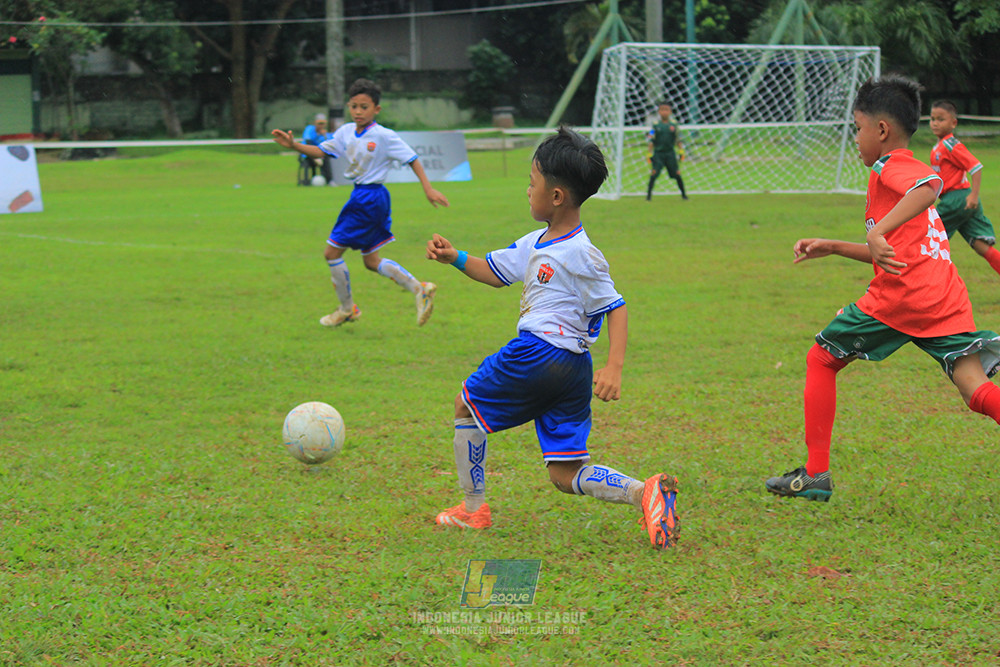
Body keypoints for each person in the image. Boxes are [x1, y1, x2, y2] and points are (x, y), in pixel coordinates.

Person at [425, 127, 680, 549]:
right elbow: (493, 272)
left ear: (557, 196)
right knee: (565, 474)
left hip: (537, 354)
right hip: (573, 370)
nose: (527, 191)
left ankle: (473, 509)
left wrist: (615, 366)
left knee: (465, 406)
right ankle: (645, 492)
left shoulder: (582, 252)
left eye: (532, 183)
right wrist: (455, 258)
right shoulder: (536, 242)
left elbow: (615, 307)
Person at [765, 75, 1000, 502]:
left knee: (821, 358)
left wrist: (880, 232)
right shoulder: (887, 178)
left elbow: (930, 186)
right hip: (943, 295)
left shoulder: (893, 166)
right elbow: (894, 250)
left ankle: (816, 474)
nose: (855, 138)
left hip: (904, 297)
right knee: (974, 388)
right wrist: (833, 246)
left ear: (881, 130)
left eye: (857, 128)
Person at [271, 78, 450, 328]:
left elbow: (412, 159)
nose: (357, 112)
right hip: (364, 197)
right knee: (371, 261)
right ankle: (420, 289)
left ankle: (347, 309)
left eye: (364, 107)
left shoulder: (384, 135)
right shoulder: (345, 132)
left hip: (369, 198)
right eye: (353, 106)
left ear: (376, 109)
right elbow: (322, 151)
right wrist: (294, 145)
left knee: (331, 253)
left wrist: (428, 188)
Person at [928, 100, 1000, 277]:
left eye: (941, 119)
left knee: (928, 239)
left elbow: (976, 167)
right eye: (932, 118)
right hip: (959, 199)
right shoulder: (938, 146)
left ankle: (926, 283)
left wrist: (974, 196)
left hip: (957, 199)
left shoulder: (951, 145)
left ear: (953, 123)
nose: (935, 123)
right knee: (980, 246)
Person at [646, 101, 688, 201]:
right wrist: (649, 153)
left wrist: (681, 151)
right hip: (658, 154)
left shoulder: (674, 125)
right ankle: (648, 197)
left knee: (677, 174)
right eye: (662, 110)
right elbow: (651, 139)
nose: (664, 112)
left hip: (670, 154)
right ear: (659, 112)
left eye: (666, 110)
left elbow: (678, 139)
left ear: (670, 111)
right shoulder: (655, 125)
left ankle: (684, 195)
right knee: (654, 173)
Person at [301, 113, 334, 185]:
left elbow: (330, 144)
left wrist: (324, 136)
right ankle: (306, 181)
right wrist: (315, 157)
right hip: (307, 154)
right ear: (315, 123)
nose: (321, 126)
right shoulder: (309, 129)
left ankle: (329, 180)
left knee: (326, 159)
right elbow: (308, 142)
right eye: (319, 123)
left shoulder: (325, 134)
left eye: (323, 124)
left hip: (319, 154)